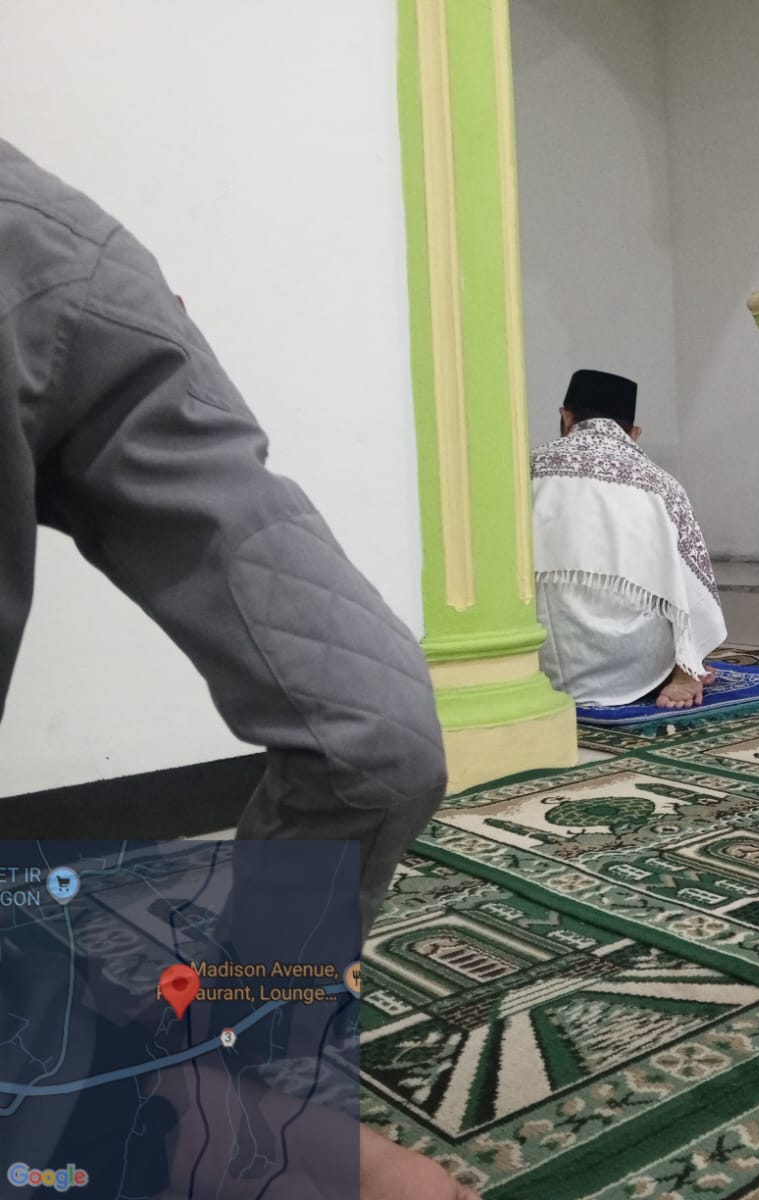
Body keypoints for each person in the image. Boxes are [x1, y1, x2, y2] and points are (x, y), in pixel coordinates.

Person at [0, 138, 475, 1198]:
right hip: (85, 253)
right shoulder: (78, 250)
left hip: (75, 260)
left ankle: (173, 1095)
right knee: (376, 742)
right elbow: (378, 744)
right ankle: (220, 1065)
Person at [531, 369, 726, 708]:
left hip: (533, 659)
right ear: (633, 433)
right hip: (635, 665)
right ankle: (683, 672)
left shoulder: (526, 466)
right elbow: (695, 586)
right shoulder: (661, 484)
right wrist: (690, 658)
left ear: (566, 417)